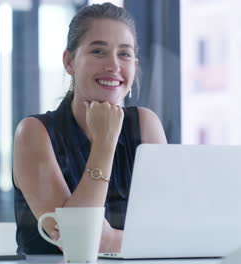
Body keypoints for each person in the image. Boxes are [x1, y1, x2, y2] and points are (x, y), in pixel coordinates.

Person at [12, 3, 168, 255]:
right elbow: (79, 242)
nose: (113, 65)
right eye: (98, 51)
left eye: (124, 54)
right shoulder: (33, 132)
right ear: (69, 61)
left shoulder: (145, 124)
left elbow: (170, 234)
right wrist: (104, 144)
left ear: (135, 65)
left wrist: (111, 238)